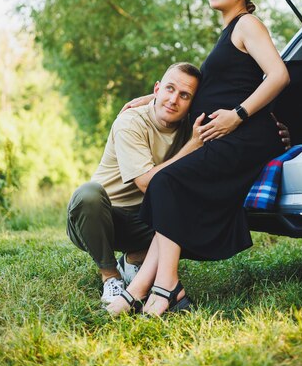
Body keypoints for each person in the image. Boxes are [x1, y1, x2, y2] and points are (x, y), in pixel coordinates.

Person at [107, 0, 290, 317]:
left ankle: (166, 286)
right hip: (227, 136)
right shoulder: (227, 35)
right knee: (169, 184)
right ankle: (141, 288)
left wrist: (237, 116)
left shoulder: (247, 24)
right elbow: (207, 88)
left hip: (245, 135)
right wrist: (153, 97)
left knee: (168, 182)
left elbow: (279, 75)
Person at [66, 62, 205, 304]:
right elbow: (146, 183)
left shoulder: (190, 126)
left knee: (200, 215)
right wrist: (191, 147)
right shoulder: (130, 122)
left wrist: (275, 131)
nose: (174, 100)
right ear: (157, 88)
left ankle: (132, 260)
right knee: (88, 193)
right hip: (103, 220)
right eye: (169, 89)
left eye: (184, 95)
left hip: (146, 219)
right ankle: (111, 277)